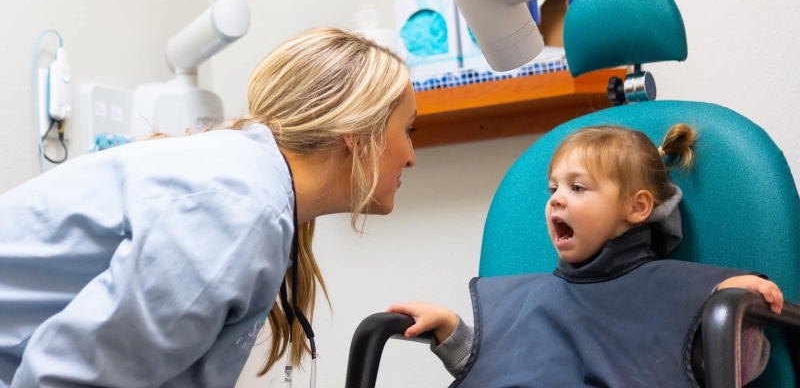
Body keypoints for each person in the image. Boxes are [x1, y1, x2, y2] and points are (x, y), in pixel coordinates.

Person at [0, 27, 417, 387]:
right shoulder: (241, 211)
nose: (412, 156)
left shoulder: (249, 187)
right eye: (408, 129)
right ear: (357, 132)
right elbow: (64, 379)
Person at [388, 124, 782, 387]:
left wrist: (733, 311)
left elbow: (724, 368)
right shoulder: (531, 299)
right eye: (553, 188)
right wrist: (452, 332)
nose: (557, 198)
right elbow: (508, 369)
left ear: (638, 207)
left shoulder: (683, 294)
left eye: (578, 188)